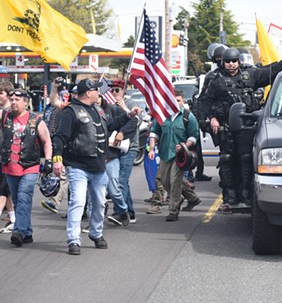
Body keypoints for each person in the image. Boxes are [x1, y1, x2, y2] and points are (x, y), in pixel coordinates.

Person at [52, 79, 141, 256]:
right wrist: (57, 159)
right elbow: (60, 137)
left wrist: (128, 115)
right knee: (77, 202)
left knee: (100, 203)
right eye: (96, 90)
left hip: (99, 166)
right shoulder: (70, 112)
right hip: (78, 166)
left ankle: (96, 234)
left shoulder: (97, 109)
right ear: (88, 93)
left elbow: (109, 126)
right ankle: (73, 240)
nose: (99, 93)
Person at [201, 47, 282, 210]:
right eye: (228, 61)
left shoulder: (249, 74)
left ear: (238, 61)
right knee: (227, 159)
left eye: (234, 61)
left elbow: (269, 72)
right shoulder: (215, 79)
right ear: (223, 62)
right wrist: (211, 118)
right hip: (225, 126)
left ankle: (247, 195)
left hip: (246, 126)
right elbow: (204, 102)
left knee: (246, 158)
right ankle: (229, 197)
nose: (231, 64)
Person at [1, 88, 52, 246]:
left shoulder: (35, 120)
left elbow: (46, 141)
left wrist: (49, 161)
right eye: (12, 99)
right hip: (9, 167)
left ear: (25, 102)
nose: (14, 102)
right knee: (17, 200)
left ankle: (19, 230)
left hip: (30, 167)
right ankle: (27, 233)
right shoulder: (4, 116)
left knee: (24, 197)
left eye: (18, 100)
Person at [147, 90, 201, 222]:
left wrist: (185, 146)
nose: (176, 103)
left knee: (175, 182)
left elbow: (194, 136)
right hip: (165, 154)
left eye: (178, 100)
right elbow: (154, 132)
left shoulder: (188, 116)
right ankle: (191, 198)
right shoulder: (162, 115)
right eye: (173, 100)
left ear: (182, 101)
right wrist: (152, 149)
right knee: (165, 181)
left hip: (180, 157)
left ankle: (173, 211)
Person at [101, 89, 139, 227]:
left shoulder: (130, 102)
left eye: (117, 90)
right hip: (113, 149)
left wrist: (124, 107)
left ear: (123, 91)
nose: (114, 92)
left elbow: (137, 120)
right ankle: (129, 212)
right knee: (120, 183)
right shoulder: (108, 107)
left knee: (121, 181)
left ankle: (120, 213)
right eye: (111, 90)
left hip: (129, 147)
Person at [40, 76, 72, 215]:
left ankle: (55, 202)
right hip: (53, 143)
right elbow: (53, 100)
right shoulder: (55, 107)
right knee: (59, 174)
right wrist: (55, 86)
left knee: (64, 176)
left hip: (65, 145)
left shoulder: (70, 108)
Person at [0, 81, 16, 233]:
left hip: (9, 155)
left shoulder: (11, 112)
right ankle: (13, 219)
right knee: (7, 190)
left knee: (3, 190)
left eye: (1, 93)